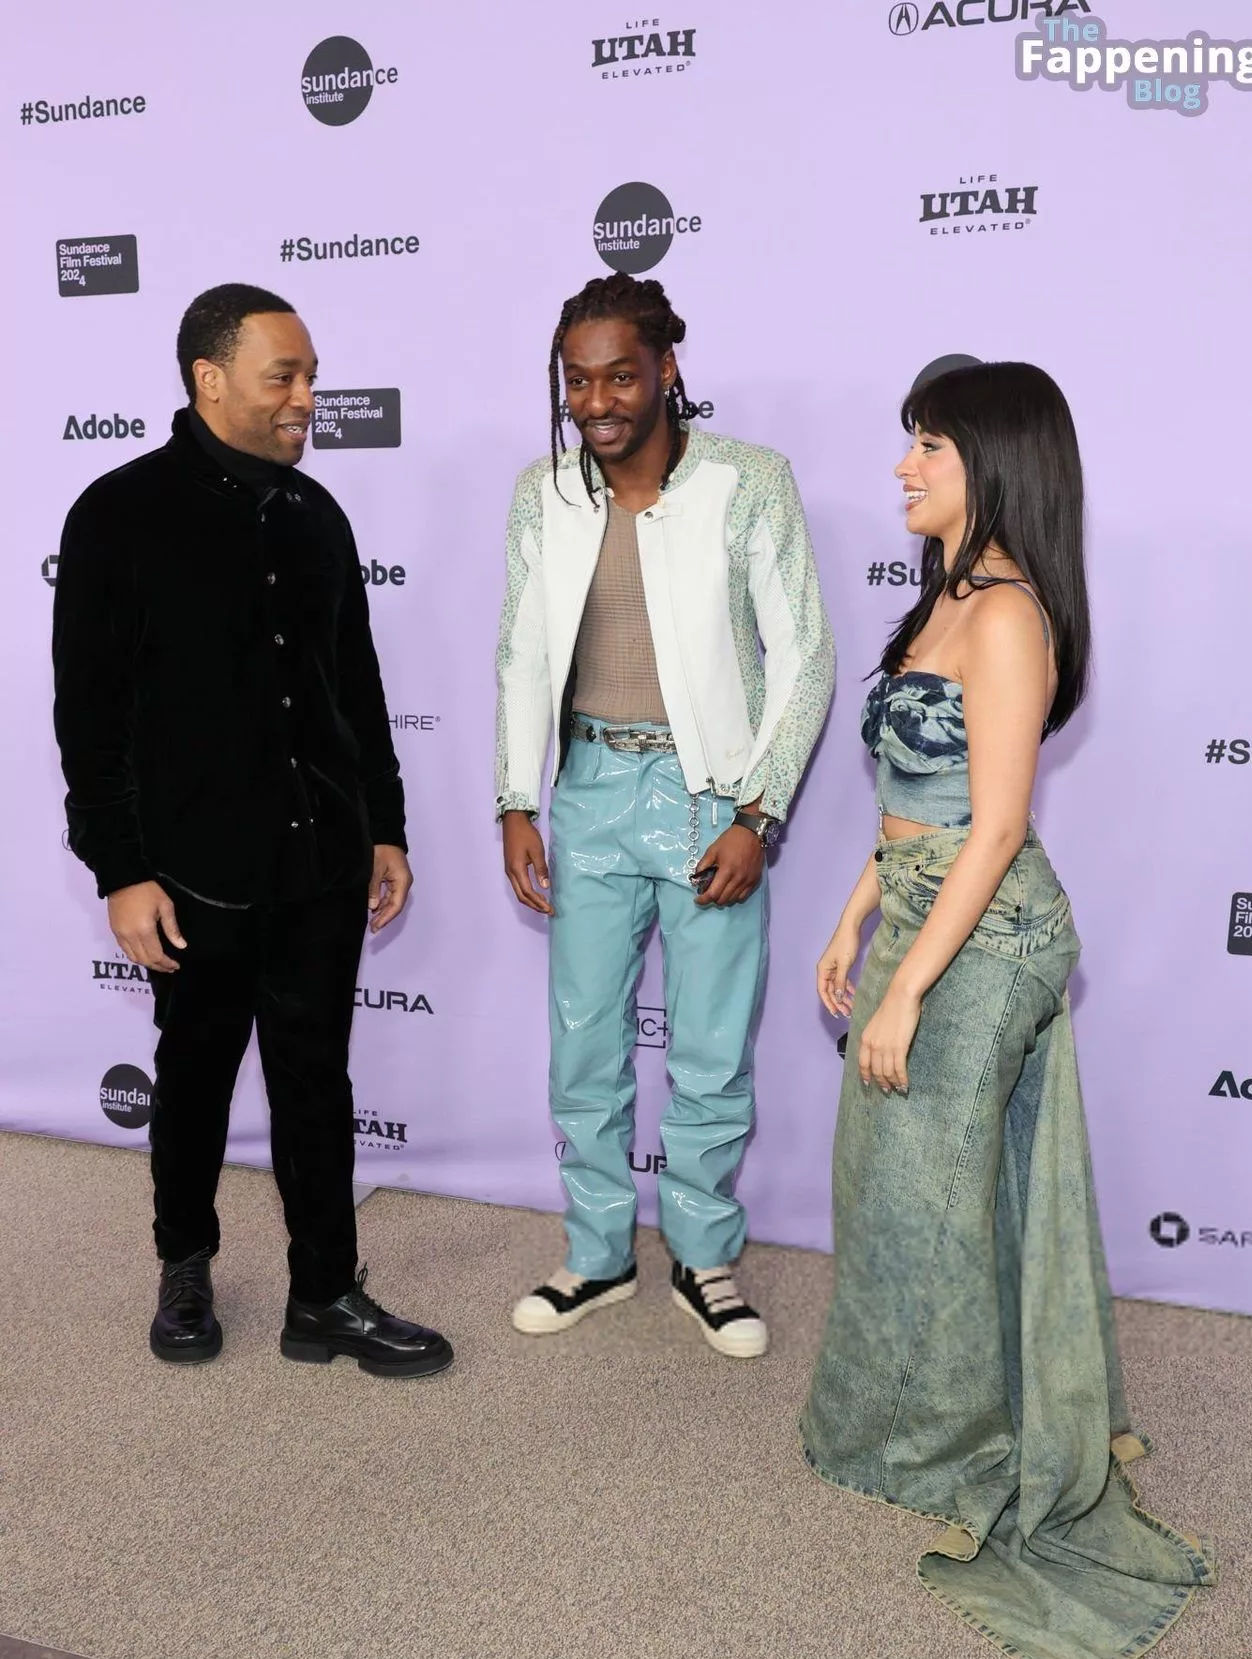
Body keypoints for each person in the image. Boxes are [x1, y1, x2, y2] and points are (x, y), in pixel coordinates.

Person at [801, 361, 1215, 1659]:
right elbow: (907, 802)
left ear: (995, 463)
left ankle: (948, 1445)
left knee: (927, 1192)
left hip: (991, 934)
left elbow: (993, 829)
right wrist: (854, 917)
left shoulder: (1009, 616)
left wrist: (909, 987)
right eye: (909, 443)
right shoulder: (943, 596)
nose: (903, 466)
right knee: (900, 1184)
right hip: (922, 908)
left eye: (930, 445)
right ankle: (907, 1420)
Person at [52, 283, 453, 1379]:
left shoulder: (317, 514)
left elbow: (355, 688)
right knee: (192, 1080)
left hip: (321, 859)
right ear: (210, 379)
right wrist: (122, 871)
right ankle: (185, 1264)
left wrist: (384, 827)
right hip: (192, 874)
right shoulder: (117, 514)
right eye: (285, 376)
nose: (307, 397)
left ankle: (325, 1294)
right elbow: (88, 717)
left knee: (317, 1082)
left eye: (312, 375)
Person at [495, 273, 834, 1356]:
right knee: (583, 1045)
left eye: (619, 377)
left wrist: (757, 813)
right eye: (577, 380)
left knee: (710, 1048)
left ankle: (703, 1258)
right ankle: (596, 1256)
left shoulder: (748, 481)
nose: (596, 402)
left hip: (711, 799)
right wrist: (515, 798)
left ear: (666, 371)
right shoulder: (543, 493)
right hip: (589, 788)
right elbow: (520, 654)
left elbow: (806, 656)